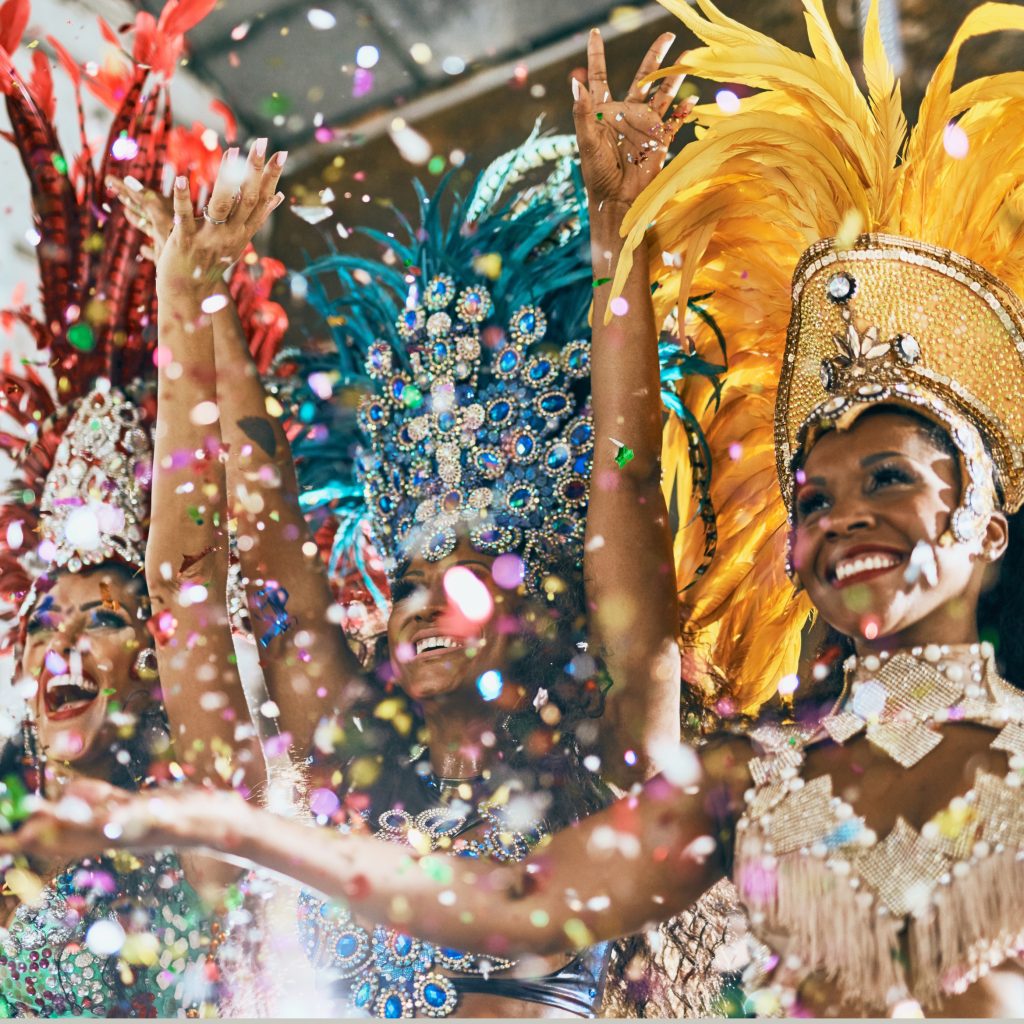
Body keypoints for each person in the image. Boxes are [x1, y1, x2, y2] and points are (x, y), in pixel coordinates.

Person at [18, 3, 1024, 1017]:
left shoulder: (620, 760)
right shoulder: (351, 762)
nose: (414, 604)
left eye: (453, 575)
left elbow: (625, 483)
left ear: (539, 602)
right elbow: (227, 576)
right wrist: (196, 308)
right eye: (402, 579)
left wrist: (617, 240)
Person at [0, 1, 289, 1014]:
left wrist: (182, 306)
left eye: (103, 619)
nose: (61, 647)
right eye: (48, 620)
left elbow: (187, 578)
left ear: (159, 658)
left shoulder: (206, 805)